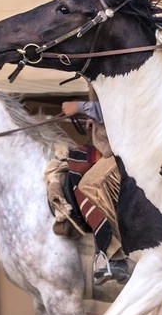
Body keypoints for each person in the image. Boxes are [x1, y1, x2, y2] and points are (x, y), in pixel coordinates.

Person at [44, 88, 131, 284]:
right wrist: (96, 121)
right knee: (74, 161)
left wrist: (80, 107)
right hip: (110, 145)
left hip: (124, 147)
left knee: (89, 184)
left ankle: (114, 257)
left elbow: (121, 107)